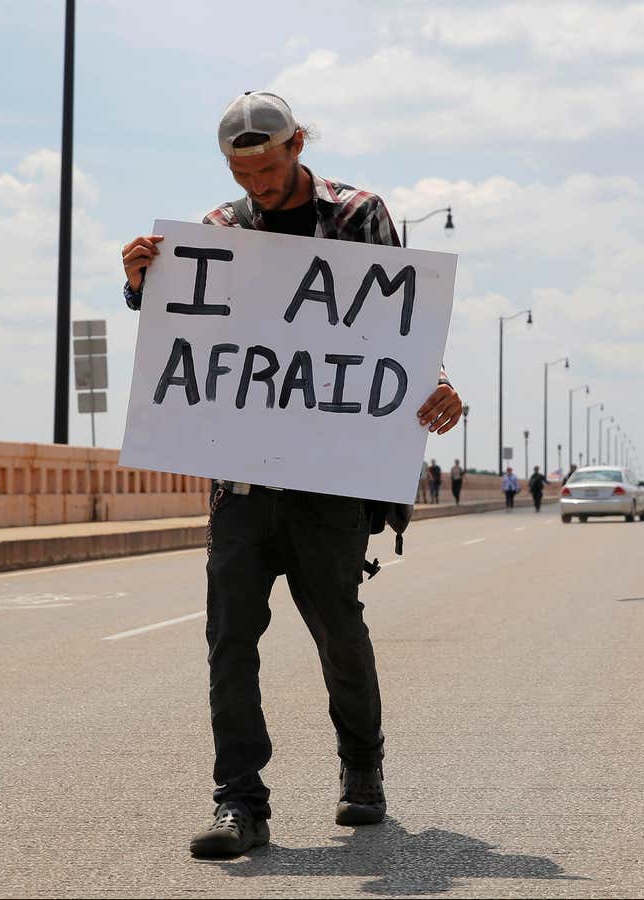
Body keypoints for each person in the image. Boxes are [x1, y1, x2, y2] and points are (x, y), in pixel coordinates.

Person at [119, 90, 464, 860]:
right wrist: (144, 287)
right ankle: (240, 801)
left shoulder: (358, 216)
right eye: (244, 173)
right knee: (229, 641)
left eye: (269, 168)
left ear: (299, 145)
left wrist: (437, 381)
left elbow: (393, 329)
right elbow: (199, 343)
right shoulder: (218, 233)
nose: (259, 186)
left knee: (339, 629)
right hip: (240, 486)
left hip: (332, 481)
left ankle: (362, 769)